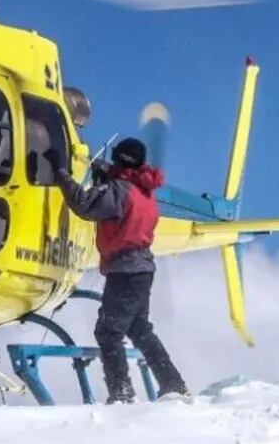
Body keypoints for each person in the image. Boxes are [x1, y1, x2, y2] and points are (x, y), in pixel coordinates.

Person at [50, 137, 189, 403]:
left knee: (108, 331)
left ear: (121, 160)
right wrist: (105, 182)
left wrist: (60, 173)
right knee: (139, 329)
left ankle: (122, 391)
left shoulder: (120, 190)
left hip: (125, 270)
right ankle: (172, 383)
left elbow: (85, 204)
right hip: (142, 269)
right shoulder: (144, 192)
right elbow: (122, 212)